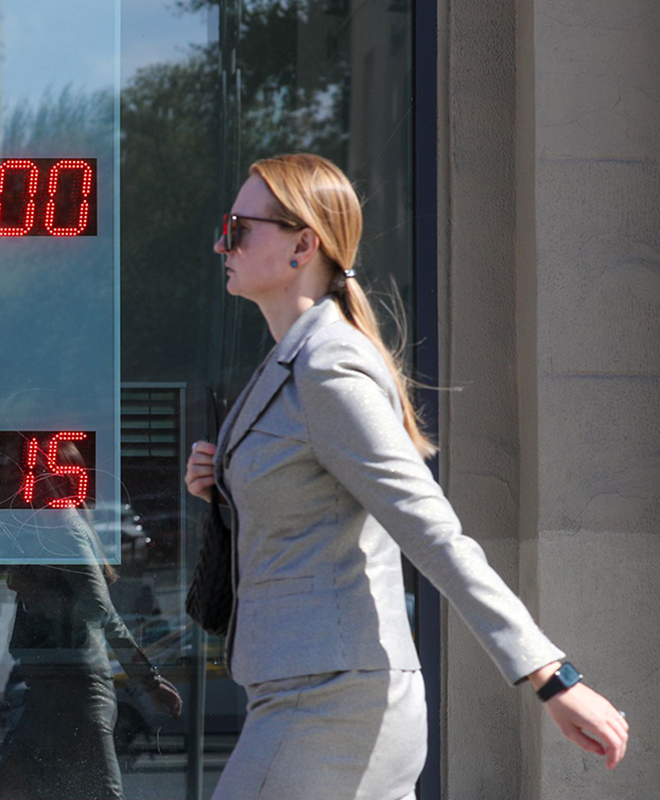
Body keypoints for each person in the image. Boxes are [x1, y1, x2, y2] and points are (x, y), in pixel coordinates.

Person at [184, 153, 628, 799]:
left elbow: (430, 529)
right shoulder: (289, 364)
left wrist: (549, 674)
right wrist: (226, 483)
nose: (220, 244)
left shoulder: (328, 367)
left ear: (302, 246)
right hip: (311, 693)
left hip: (332, 705)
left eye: (238, 229)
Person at [0, 444, 183, 800]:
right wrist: (148, 680)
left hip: (76, 692)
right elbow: (107, 615)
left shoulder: (67, 531)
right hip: (49, 690)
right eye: (30, 473)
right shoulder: (47, 531)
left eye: (40, 474)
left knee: (97, 793)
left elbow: (97, 608)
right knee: (11, 789)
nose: (29, 483)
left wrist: (36, 593)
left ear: (62, 481)